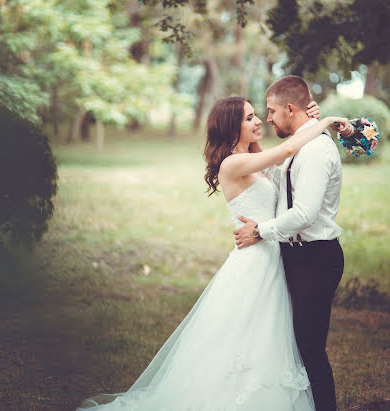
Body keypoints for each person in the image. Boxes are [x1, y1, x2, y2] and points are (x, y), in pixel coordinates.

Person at [77, 96, 350, 411]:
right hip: (254, 260)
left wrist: (307, 119)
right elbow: (287, 150)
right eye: (249, 118)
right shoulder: (232, 163)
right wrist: (326, 122)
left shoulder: (252, 156)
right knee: (246, 335)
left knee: (267, 336)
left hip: (271, 255)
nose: (259, 121)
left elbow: (286, 155)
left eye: (257, 115)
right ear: (231, 126)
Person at [233, 75, 351, 411]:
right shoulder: (299, 143)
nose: (267, 118)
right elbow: (274, 171)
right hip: (296, 255)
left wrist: (259, 231)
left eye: (271, 111)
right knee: (295, 344)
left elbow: (304, 214)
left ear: (289, 108)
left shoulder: (314, 150)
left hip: (315, 258)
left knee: (310, 347)